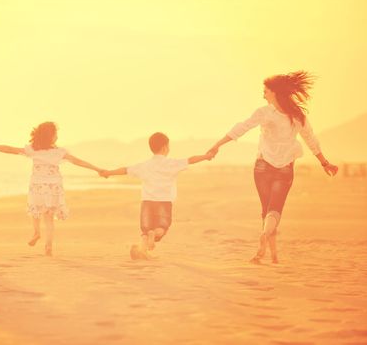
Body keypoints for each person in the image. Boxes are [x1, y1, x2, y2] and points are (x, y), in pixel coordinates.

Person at [207, 71, 338, 264]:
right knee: (274, 210)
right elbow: (310, 139)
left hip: (262, 167)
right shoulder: (297, 116)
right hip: (284, 168)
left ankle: (268, 253)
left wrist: (217, 145)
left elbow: (241, 127)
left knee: (265, 209)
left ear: (275, 92)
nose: (263, 95)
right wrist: (324, 162)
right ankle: (271, 251)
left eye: (266, 91)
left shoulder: (265, 112)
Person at [0, 121, 103, 256]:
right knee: (49, 218)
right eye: (55, 134)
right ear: (50, 136)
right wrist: (98, 169)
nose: (57, 136)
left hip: (38, 185)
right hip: (53, 187)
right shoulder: (59, 152)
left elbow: (9, 149)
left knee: (35, 211)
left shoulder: (33, 150)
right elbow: (78, 162)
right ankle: (48, 246)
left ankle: (36, 233)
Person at [100, 132, 215, 260]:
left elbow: (125, 170)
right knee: (162, 228)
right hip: (164, 202)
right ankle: (152, 236)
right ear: (165, 147)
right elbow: (191, 160)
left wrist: (109, 172)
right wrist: (206, 156)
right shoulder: (172, 163)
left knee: (145, 230)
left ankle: (142, 250)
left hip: (147, 202)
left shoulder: (144, 165)